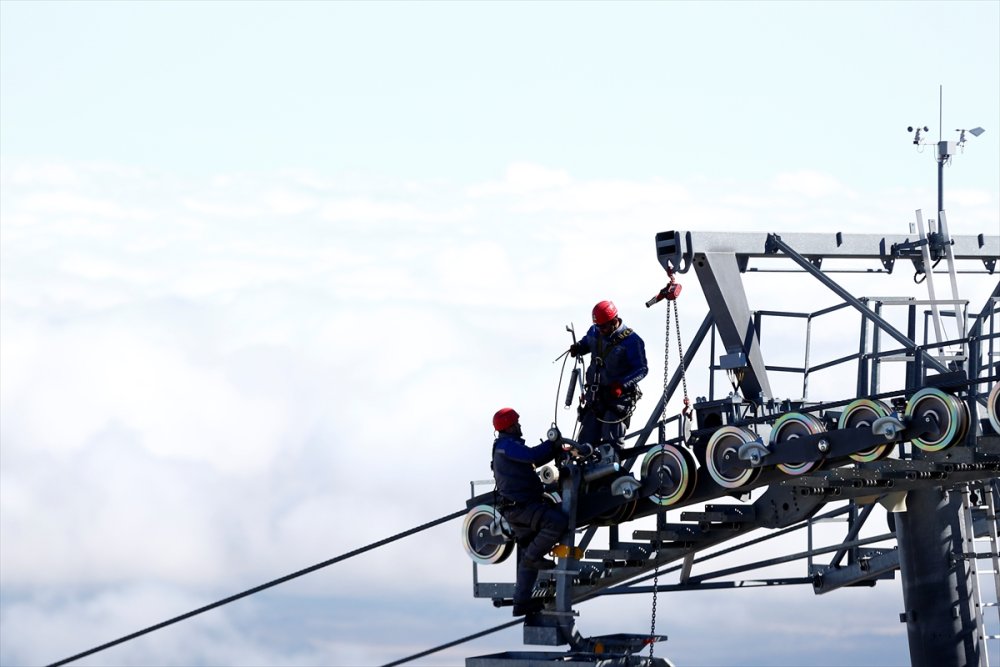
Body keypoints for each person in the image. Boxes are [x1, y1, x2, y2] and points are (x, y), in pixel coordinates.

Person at [491, 407, 569, 616]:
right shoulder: (506, 446)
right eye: (517, 423)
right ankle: (533, 557)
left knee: (528, 547)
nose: (520, 426)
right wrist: (552, 443)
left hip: (518, 508)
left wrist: (554, 449)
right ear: (510, 426)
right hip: (522, 508)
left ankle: (522, 602)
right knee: (556, 523)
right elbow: (533, 455)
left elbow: (534, 459)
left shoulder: (507, 447)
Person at [569, 300, 648, 454]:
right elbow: (587, 342)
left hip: (616, 401)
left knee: (611, 444)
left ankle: (613, 475)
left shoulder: (632, 341)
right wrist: (579, 347)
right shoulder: (594, 331)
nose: (600, 330)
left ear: (614, 321)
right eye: (598, 326)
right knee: (584, 444)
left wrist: (622, 385)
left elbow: (642, 369)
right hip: (595, 399)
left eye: (603, 326)